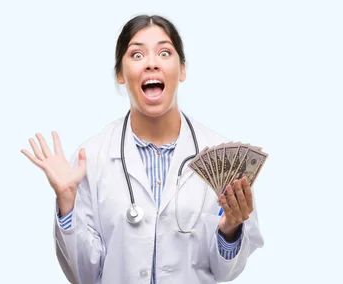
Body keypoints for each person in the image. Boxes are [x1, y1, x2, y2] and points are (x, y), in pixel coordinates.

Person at [20, 14, 264, 284]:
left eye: (164, 52)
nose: (151, 64)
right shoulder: (90, 157)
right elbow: (85, 276)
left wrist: (230, 228)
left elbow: (226, 273)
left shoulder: (222, 159)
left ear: (182, 69)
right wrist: (66, 203)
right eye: (137, 55)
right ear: (120, 74)